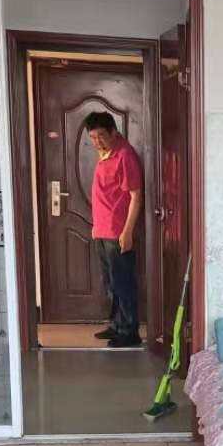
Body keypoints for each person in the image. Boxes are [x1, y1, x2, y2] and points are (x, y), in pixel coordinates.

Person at [86, 110, 143, 347]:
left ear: (113, 132)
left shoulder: (124, 155)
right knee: (111, 282)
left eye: (101, 136)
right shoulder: (105, 154)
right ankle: (117, 325)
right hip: (102, 229)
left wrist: (127, 231)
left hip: (117, 231)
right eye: (92, 137)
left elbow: (136, 195)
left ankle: (130, 332)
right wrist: (96, 225)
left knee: (123, 283)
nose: (97, 141)